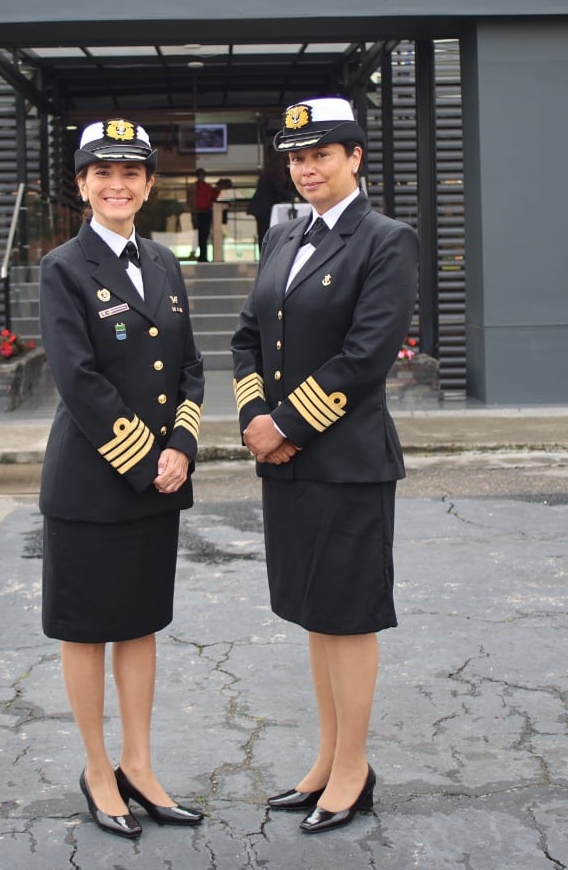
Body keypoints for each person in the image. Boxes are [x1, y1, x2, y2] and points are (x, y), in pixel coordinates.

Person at [230, 96, 418, 834]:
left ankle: (354, 769)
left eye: (322, 155)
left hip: (346, 462)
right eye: (298, 158)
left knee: (347, 616)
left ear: (355, 158)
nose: (307, 169)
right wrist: (255, 417)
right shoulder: (284, 236)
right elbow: (247, 338)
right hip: (286, 463)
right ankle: (327, 758)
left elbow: (366, 357)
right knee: (314, 614)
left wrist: (285, 425)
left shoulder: (386, 240)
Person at [38, 118, 206, 839]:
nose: (117, 184)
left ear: (148, 184)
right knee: (87, 632)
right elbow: (78, 379)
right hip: (91, 482)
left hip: (157, 481)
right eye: (102, 173)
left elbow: (190, 365)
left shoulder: (164, 261)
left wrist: (183, 447)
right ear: (82, 185)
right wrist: (147, 458)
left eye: (131, 172)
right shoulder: (63, 268)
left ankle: (139, 764)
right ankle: (98, 769)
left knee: (140, 625)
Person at [245, 155, 291, 252]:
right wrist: (291, 197)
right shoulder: (271, 174)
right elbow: (279, 189)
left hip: (263, 208)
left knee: (264, 232)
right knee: (264, 233)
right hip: (263, 208)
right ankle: (264, 254)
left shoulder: (269, 173)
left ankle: (264, 253)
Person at [191, 168, 222, 261]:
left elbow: (213, 196)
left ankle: (203, 256)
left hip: (206, 213)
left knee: (205, 235)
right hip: (198, 213)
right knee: (200, 235)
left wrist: (218, 189)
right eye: (200, 175)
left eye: (202, 175)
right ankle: (202, 255)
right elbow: (192, 200)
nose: (202, 177)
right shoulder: (194, 187)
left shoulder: (207, 187)